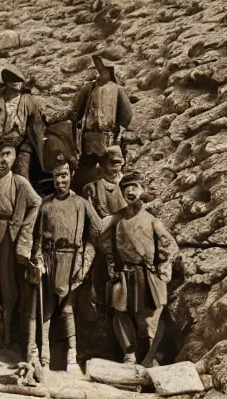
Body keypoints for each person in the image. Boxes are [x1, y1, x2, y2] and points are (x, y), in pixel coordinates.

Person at [28, 154, 102, 372]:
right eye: (56, 177)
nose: (61, 181)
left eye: (64, 176)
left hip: (71, 260)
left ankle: (72, 356)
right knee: (47, 308)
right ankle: (45, 356)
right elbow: (37, 237)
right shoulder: (46, 205)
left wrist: (86, 257)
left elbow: (97, 229)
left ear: (71, 175)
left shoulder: (81, 204)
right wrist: (39, 259)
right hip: (50, 259)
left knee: (68, 308)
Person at [103, 171, 178, 366]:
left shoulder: (152, 221)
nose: (130, 191)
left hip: (148, 275)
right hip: (126, 274)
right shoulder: (117, 221)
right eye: (126, 188)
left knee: (150, 319)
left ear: (142, 191)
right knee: (120, 314)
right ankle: (129, 356)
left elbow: (170, 246)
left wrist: (164, 267)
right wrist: (112, 265)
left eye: (134, 187)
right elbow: (106, 243)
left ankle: (149, 359)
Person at [0, 140, 41, 346]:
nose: (4, 160)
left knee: (7, 279)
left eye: (8, 155)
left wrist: (23, 226)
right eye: (1, 155)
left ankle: (9, 335)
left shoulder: (19, 181)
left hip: (7, 233)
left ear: (13, 159)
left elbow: (36, 202)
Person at [81, 145, 127, 316]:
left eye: (119, 163)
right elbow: (94, 223)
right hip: (100, 242)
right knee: (98, 278)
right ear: (103, 164)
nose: (116, 168)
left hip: (121, 242)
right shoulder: (92, 189)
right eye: (112, 163)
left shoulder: (127, 185)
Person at [0, 65, 46, 179]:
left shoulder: (28, 101)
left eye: (20, 81)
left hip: (21, 145)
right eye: (14, 80)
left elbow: (37, 126)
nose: (18, 83)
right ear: (7, 83)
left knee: (22, 176)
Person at [73, 54, 133, 170]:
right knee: (87, 169)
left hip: (108, 136)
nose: (99, 67)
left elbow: (127, 114)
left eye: (101, 64)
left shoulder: (117, 89)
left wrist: (117, 131)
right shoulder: (89, 88)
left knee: (108, 168)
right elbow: (76, 111)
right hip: (89, 136)